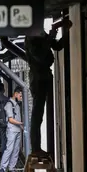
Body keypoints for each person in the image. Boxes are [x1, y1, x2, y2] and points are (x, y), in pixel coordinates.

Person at [25, 27, 66, 156]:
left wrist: (66, 31)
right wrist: (53, 33)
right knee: (37, 115)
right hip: (38, 77)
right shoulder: (31, 36)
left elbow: (57, 46)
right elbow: (40, 55)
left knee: (40, 113)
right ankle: (36, 147)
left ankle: (37, 147)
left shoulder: (40, 33)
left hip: (44, 75)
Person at [0, 87, 23, 172]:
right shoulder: (9, 104)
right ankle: (2, 167)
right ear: (16, 94)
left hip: (17, 130)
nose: (21, 98)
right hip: (12, 130)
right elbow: (10, 119)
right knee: (9, 149)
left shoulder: (16, 104)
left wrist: (20, 126)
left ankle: (12, 168)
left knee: (16, 150)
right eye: (20, 96)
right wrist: (21, 123)